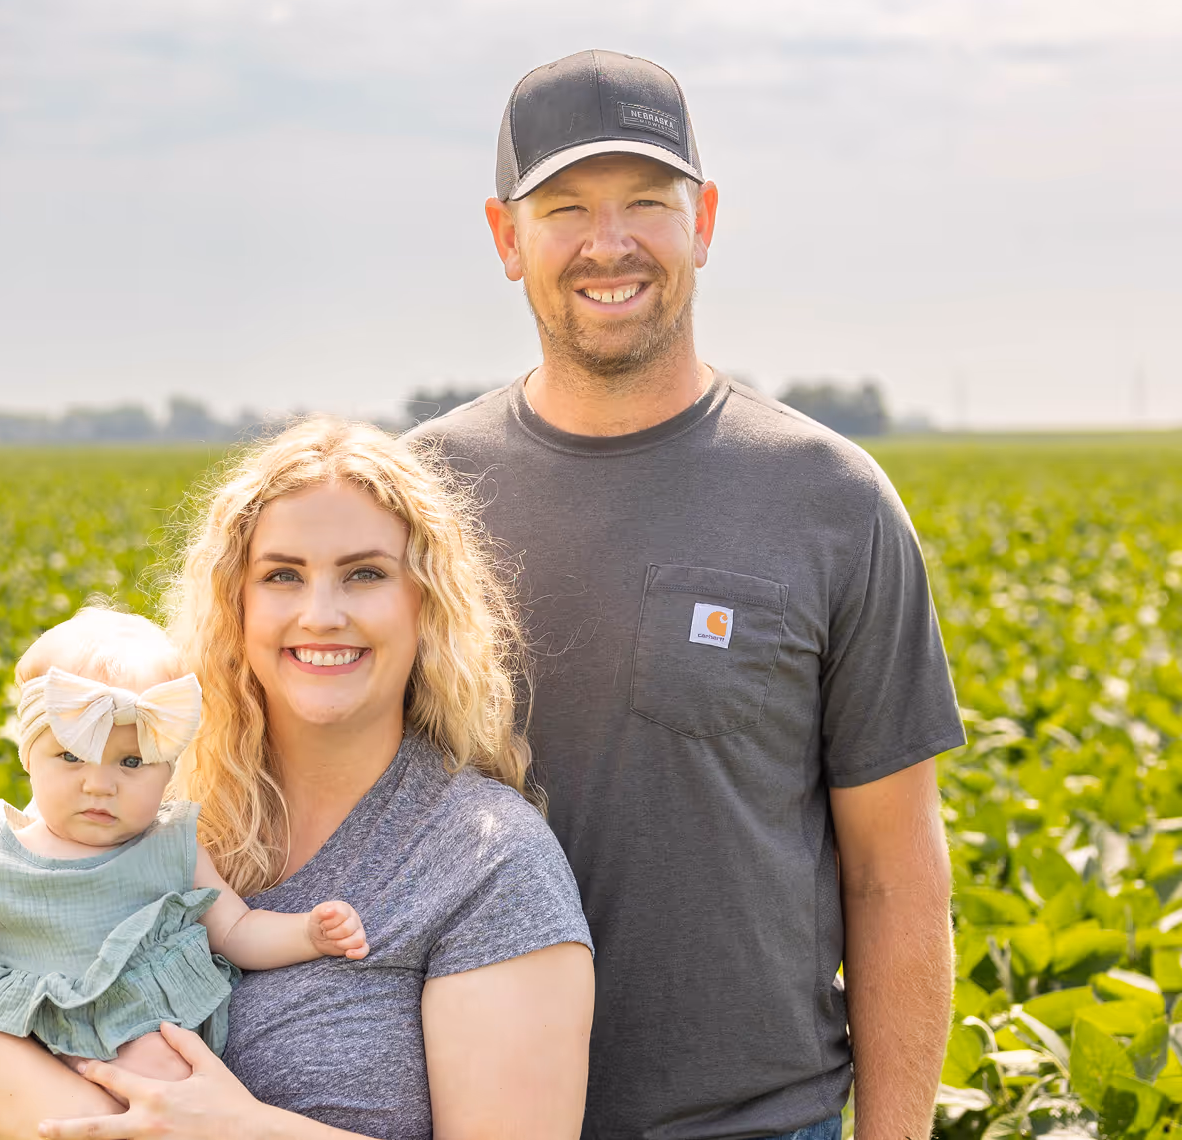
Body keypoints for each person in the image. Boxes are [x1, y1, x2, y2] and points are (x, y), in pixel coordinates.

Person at [408, 49, 964, 1140]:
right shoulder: (419, 495)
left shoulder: (830, 501)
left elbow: (895, 875)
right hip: (468, 1115)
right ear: (503, 238)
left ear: (702, 221)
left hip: (757, 1121)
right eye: (563, 207)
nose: (606, 244)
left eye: (645, 205)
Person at [0, 419, 595, 1140]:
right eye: (282, 575)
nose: (321, 615)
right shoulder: (138, 803)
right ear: (238, 604)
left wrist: (233, 1130)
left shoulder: (489, 862)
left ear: (427, 603)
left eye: (366, 573)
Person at [0, 607, 370, 1121]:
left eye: (131, 762)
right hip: (22, 1056)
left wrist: (307, 934)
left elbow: (236, 928)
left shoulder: (171, 846)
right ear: (27, 757)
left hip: (141, 1044)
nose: (99, 784)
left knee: (167, 1077)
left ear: (168, 768)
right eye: (70, 757)